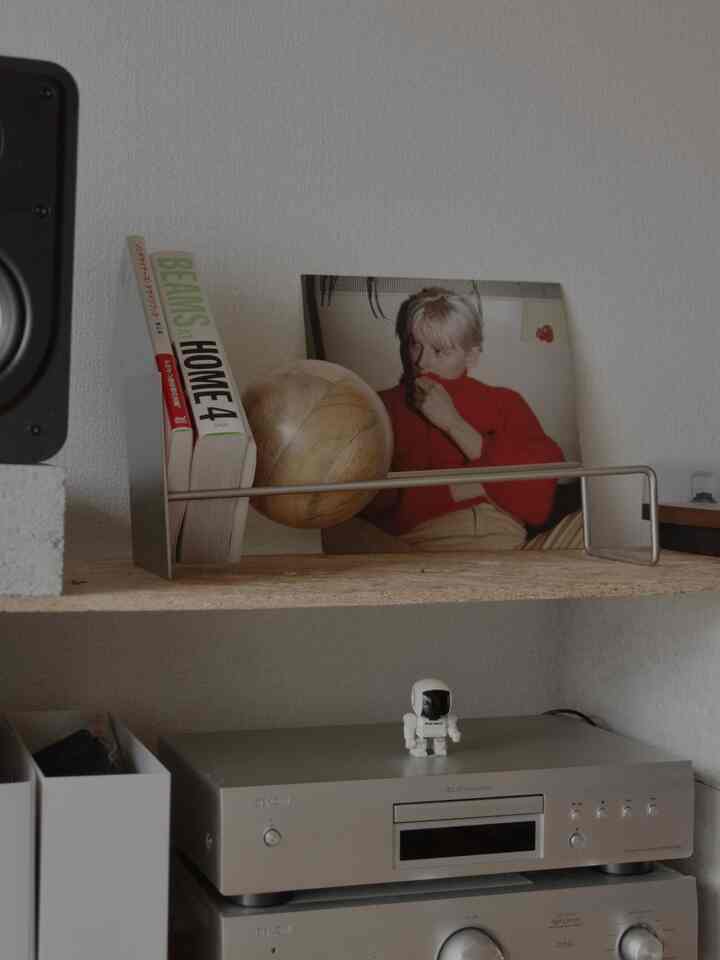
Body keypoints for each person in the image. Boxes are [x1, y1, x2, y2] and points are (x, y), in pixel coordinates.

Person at [360, 287, 569, 551]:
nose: (421, 362)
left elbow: (538, 501)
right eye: (414, 344)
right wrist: (468, 486)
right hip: (422, 548)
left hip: (509, 545)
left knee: (597, 527)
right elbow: (370, 503)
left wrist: (454, 424)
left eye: (439, 351)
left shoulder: (505, 401)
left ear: (471, 356)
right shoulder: (380, 405)